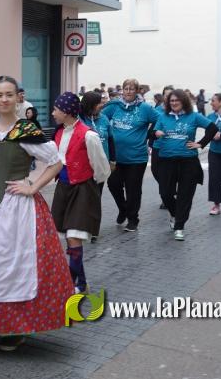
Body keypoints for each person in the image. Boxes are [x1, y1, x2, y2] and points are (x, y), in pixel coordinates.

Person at [0, 76, 71, 356]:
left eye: (9, 95)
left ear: (18, 97)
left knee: (15, 267)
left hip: (19, 209)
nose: (4, 99)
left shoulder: (26, 130)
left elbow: (55, 163)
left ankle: (14, 327)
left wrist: (32, 186)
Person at [50, 92, 111, 294]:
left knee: (75, 236)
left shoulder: (88, 135)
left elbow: (102, 169)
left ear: (66, 112)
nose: (52, 113)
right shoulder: (58, 133)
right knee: (68, 237)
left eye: (56, 109)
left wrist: (88, 184)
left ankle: (71, 282)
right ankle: (81, 282)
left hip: (83, 189)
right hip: (63, 190)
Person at [153, 92, 218, 241]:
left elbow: (213, 128)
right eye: (172, 100)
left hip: (188, 161)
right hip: (166, 160)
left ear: (184, 101)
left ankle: (179, 226)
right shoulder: (163, 116)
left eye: (177, 100)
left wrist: (200, 144)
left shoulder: (193, 116)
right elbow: (152, 133)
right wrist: (156, 133)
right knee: (165, 193)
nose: (174, 103)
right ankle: (176, 214)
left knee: (185, 195)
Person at [101, 79, 160, 232]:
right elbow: (99, 118)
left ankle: (133, 219)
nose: (128, 91)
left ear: (137, 91)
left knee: (133, 189)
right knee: (113, 184)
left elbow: (160, 119)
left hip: (137, 157)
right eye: (125, 88)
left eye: (131, 89)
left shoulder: (145, 108)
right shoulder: (114, 106)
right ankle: (123, 209)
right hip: (116, 157)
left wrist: (151, 134)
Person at [79, 90, 115, 242]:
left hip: (100, 166)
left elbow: (111, 140)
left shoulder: (104, 119)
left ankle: (94, 229)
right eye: (99, 103)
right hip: (83, 166)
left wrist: (113, 160)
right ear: (90, 105)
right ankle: (81, 226)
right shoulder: (79, 120)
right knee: (83, 197)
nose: (102, 105)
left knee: (96, 197)